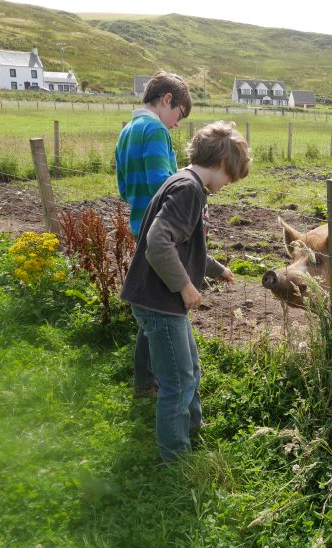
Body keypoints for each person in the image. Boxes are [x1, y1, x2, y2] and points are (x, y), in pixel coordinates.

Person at [120, 121, 251, 462]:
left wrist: (216, 269)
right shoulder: (190, 191)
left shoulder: (181, 179)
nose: (227, 186)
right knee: (177, 381)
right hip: (160, 300)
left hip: (156, 298)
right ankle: (176, 459)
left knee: (189, 365)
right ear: (223, 164)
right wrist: (187, 287)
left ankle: (193, 428)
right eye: (230, 178)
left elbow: (184, 243)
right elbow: (159, 243)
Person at [115, 71, 191, 397]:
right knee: (161, 310)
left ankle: (144, 380)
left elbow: (122, 187)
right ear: (166, 100)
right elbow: (164, 183)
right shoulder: (155, 130)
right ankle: (158, 379)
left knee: (150, 305)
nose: (176, 124)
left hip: (137, 224)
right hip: (159, 230)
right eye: (179, 115)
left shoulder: (127, 130)